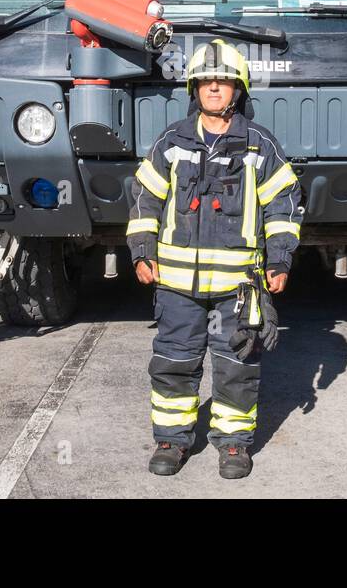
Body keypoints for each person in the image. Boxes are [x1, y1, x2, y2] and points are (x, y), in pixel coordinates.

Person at [127, 39, 303, 479]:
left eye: (223, 81)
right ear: (194, 88)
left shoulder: (260, 146)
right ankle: (171, 440)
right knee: (173, 363)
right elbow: (144, 201)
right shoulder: (171, 142)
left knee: (237, 366)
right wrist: (141, 252)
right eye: (206, 81)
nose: (214, 88)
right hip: (176, 285)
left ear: (238, 90)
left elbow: (282, 207)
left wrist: (279, 261)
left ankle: (234, 446)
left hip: (238, 289)